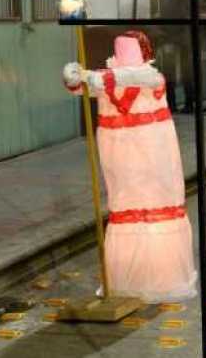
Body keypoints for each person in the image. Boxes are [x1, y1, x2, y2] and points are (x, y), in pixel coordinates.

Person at [63, 32, 197, 303]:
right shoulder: (103, 79)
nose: (123, 52)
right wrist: (74, 75)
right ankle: (126, 277)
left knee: (155, 202)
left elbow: (132, 78)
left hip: (152, 151)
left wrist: (94, 77)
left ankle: (162, 275)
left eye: (129, 49)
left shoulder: (151, 76)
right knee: (125, 204)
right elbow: (79, 86)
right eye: (121, 49)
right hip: (118, 154)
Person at [156, 0, 194, 113]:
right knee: (168, 70)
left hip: (183, 31)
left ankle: (189, 103)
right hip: (166, 33)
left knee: (186, 70)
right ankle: (170, 103)